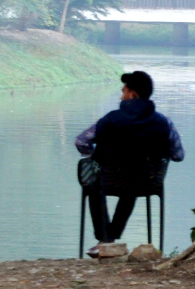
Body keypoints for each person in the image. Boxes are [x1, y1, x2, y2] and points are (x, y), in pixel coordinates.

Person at [75, 71, 184, 258]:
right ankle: (108, 240)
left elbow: (81, 141)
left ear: (132, 94)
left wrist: (92, 156)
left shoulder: (110, 119)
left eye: (123, 91)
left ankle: (106, 240)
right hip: (147, 182)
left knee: (93, 183)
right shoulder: (164, 122)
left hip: (108, 181)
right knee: (132, 184)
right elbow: (178, 155)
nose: (121, 95)